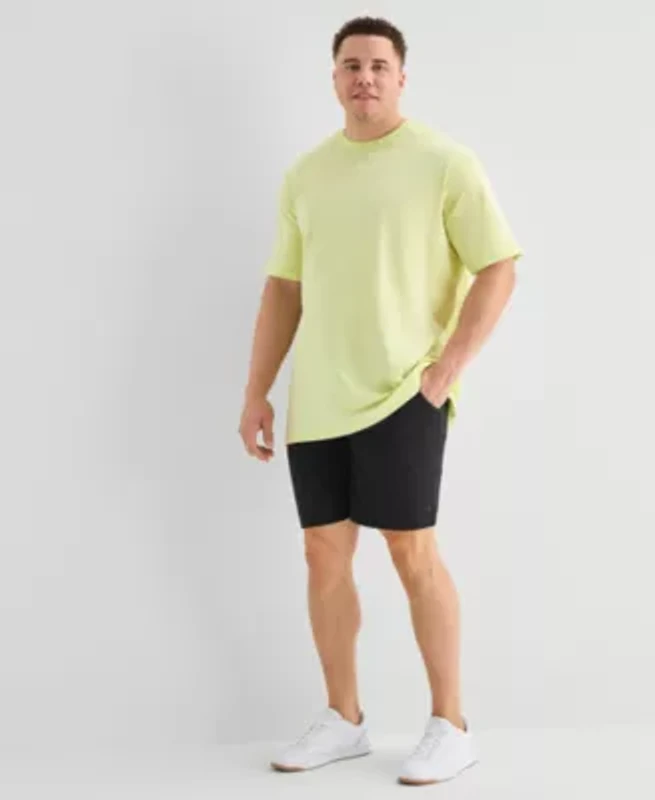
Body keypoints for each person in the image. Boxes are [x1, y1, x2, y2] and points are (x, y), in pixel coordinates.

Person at [238, 15, 522, 786]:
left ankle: (451, 724)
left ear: (401, 76)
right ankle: (344, 719)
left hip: (405, 392)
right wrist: (257, 390)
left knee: (411, 550)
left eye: (377, 65)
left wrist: (449, 366)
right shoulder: (306, 175)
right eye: (350, 65)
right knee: (322, 553)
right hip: (318, 397)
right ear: (334, 77)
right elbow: (284, 289)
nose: (364, 76)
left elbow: (498, 266)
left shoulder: (443, 163)